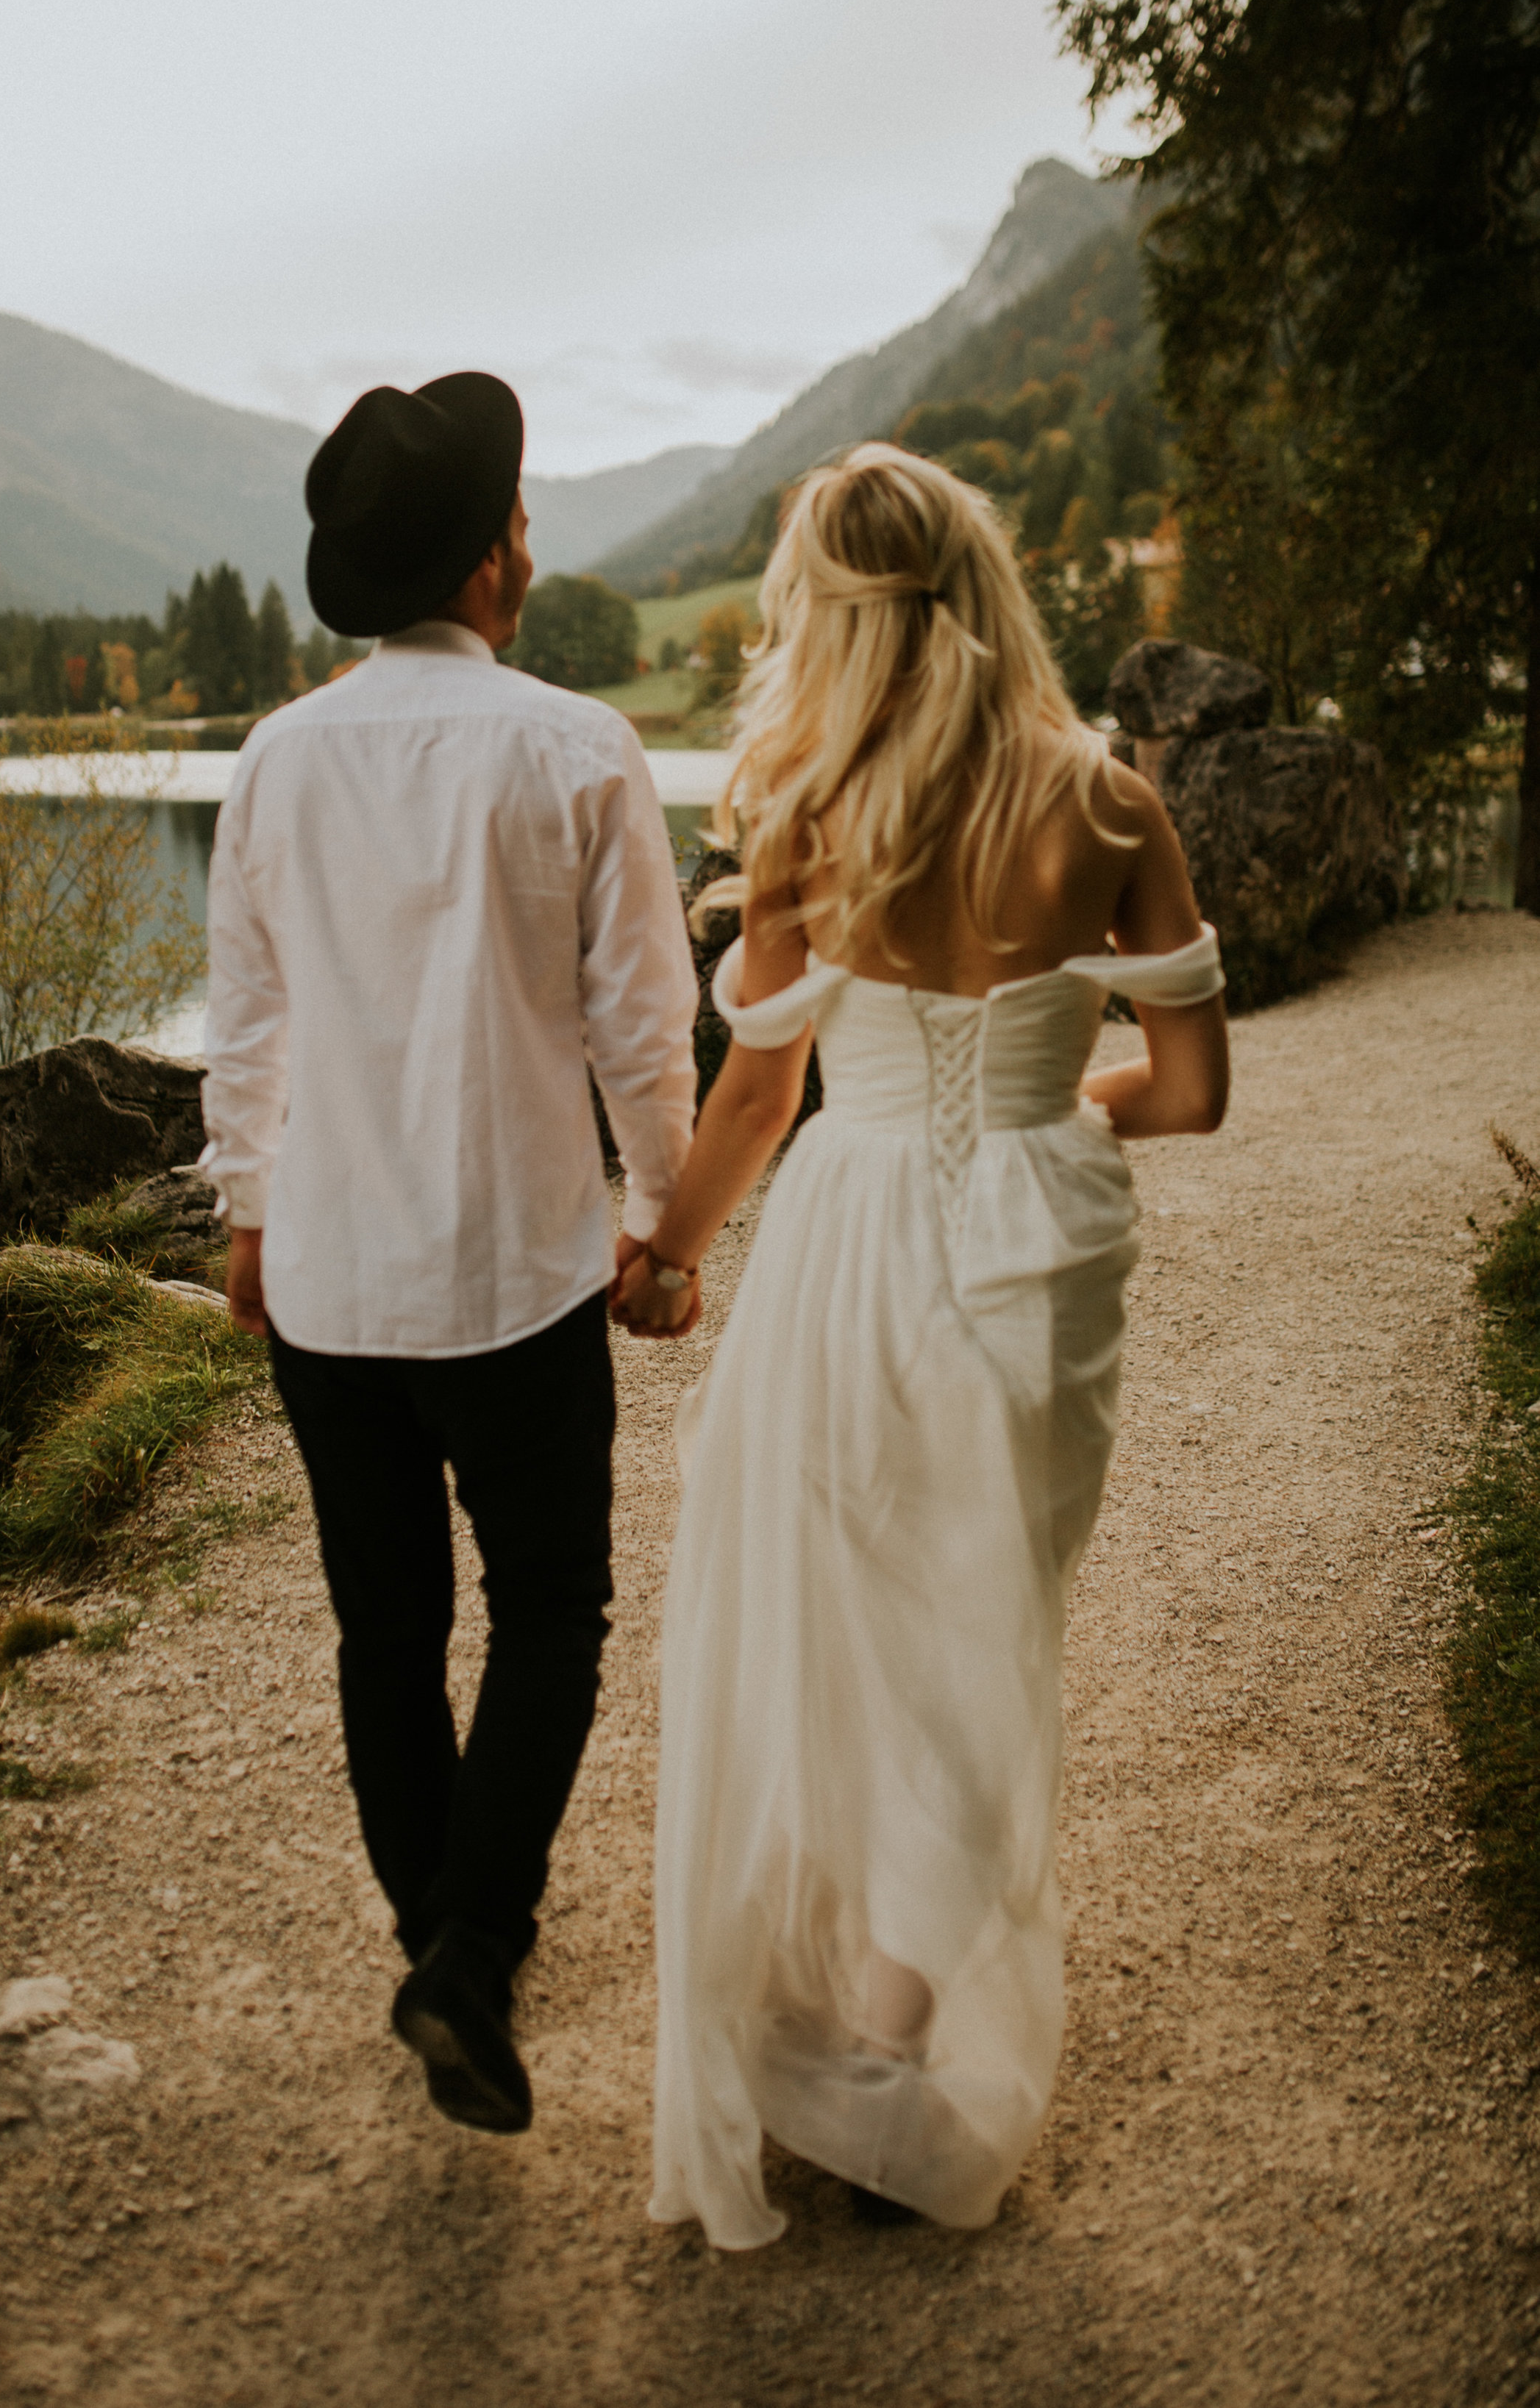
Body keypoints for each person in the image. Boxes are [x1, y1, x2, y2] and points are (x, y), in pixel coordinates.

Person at [611, 443, 1228, 2249]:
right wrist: (1054, 1105)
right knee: (983, 1622)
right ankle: (887, 2037)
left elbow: (757, 1086)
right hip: (1041, 1239)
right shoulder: (1110, 805)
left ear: (829, 614)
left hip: (847, 1237)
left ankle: (839, 2035)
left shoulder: (802, 806)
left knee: (838, 1616)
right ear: (986, 590)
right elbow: (1186, 1095)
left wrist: (667, 1254)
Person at [199, 372, 697, 2138]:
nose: (529, 546)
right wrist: (661, 1221)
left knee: (384, 1629)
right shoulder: (574, 747)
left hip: (329, 1282)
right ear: (492, 564)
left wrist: (244, 1210)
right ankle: (467, 1953)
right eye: (522, 523)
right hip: (519, 1273)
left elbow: (243, 1020)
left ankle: (438, 1935)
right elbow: (647, 1023)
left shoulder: (274, 756)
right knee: (549, 1608)